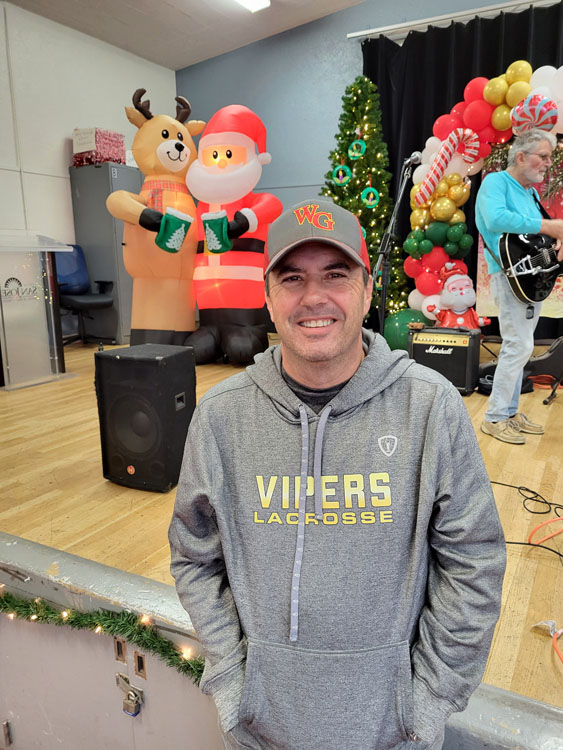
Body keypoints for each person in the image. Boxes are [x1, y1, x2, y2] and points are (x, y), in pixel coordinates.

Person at [169, 198, 506, 750]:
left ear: (368, 290)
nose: (314, 297)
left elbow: (474, 562)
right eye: (292, 278)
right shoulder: (221, 416)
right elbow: (194, 556)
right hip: (257, 731)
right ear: (267, 296)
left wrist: (426, 703)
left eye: (336, 274)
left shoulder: (430, 407)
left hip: (395, 735)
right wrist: (232, 679)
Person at [475, 128, 563, 444]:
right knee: (518, 345)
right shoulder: (495, 183)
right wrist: (549, 225)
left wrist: (555, 242)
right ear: (522, 156)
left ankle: (509, 413)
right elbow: (495, 219)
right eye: (544, 156)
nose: (549, 163)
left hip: (529, 277)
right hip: (509, 276)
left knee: (521, 345)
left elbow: (532, 239)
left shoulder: (530, 193)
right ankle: (495, 417)